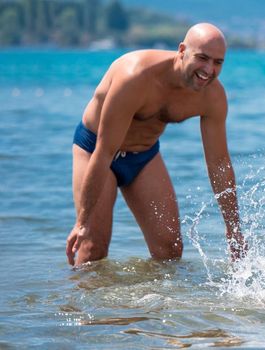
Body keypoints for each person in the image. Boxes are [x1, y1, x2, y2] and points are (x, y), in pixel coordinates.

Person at [66, 23, 243, 267]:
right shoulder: (135, 76)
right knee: (92, 247)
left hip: (143, 155)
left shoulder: (212, 97)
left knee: (170, 251)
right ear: (182, 50)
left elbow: (219, 163)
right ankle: (76, 303)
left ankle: (153, 304)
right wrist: (82, 222)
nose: (209, 70)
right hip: (96, 151)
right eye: (202, 58)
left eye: (218, 62)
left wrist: (233, 229)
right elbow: (105, 151)